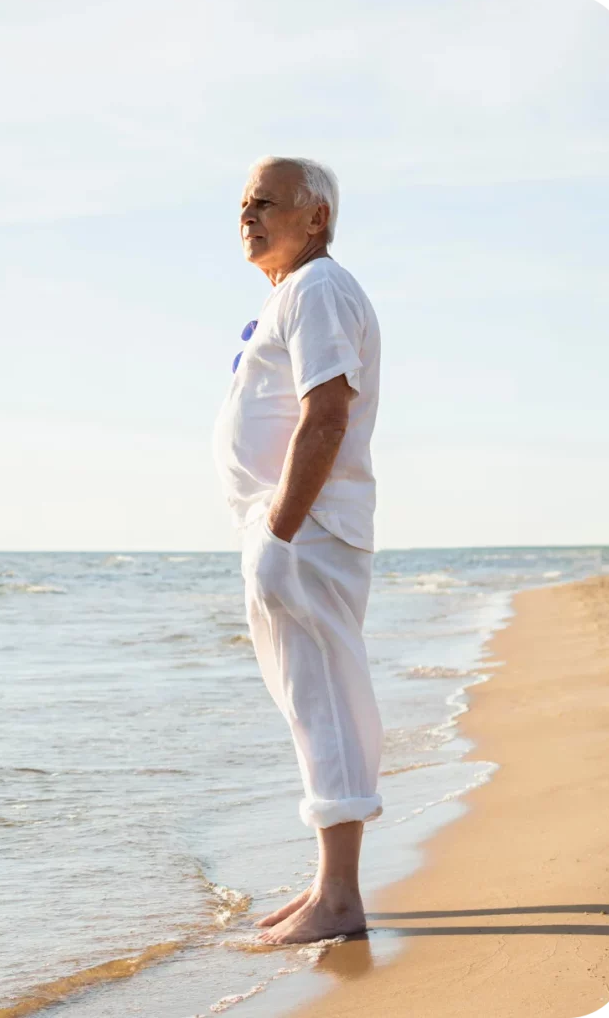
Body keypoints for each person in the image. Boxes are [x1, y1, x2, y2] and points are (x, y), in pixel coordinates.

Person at [211, 155, 384, 945]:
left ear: (315, 216)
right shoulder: (293, 294)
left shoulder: (317, 288)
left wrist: (279, 535)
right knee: (309, 703)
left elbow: (326, 416)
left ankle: (340, 898)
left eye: (266, 203)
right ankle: (329, 882)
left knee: (323, 699)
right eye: (243, 204)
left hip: (302, 528)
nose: (248, 215)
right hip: (289, 526)